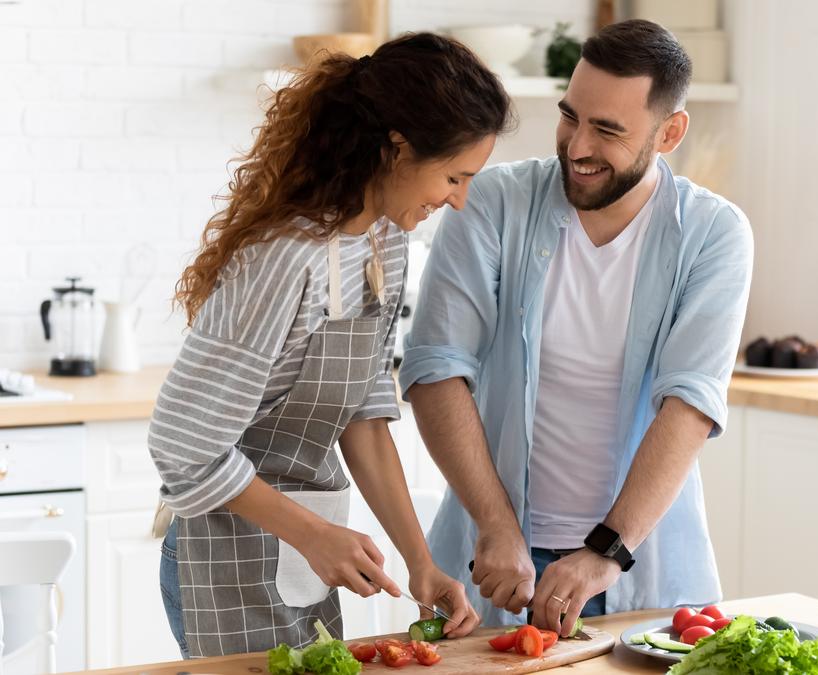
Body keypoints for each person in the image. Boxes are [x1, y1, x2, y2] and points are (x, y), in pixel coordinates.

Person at [149, 32, 512, 657]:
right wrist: (315, 536)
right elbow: (183, 445)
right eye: (453, 176)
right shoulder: (282, 259)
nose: (458, 199)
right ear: (397, 148)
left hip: (302, 563)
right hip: (225, 560)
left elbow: (365, 418)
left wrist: (420, 561)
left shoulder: (384, 244)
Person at [399, 19, 753, 634]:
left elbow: (691, 402)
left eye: (608, 130)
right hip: (493, 562)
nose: (578, 146)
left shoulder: (714, 233)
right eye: (572, 117)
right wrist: (496, 524)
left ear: (670, 133)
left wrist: (606, 551)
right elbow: (435, 369)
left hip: (637, 566)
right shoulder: (490, 203)